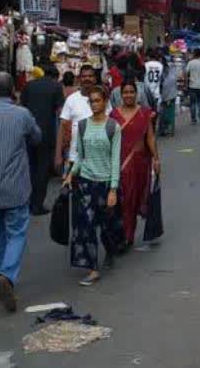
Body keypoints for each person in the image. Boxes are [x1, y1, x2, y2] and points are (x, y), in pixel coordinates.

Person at [0, 73, 42, 313]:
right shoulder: (22, 114)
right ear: (13, 90)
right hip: (15, 187)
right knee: (16, 234)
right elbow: (37, 137)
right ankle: (6, 275)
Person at [63, 85, 121, 286]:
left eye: (98, 100)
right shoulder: (83, 126)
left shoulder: (113, 127)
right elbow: (81, 156)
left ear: (105, 102)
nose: (95, 104)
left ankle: (111, 251)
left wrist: (113, 189)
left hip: (105, 184)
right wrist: (71, 174)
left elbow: (115, 159)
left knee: (106, 226)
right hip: (86, 183)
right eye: (92, 101)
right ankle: (93, 269)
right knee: (86, 226)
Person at [110, 81, 160, 249]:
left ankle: (128, 234)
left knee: (136, 197)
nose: (129, 95)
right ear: (120, 94)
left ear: (137, 94)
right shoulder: (114, 116)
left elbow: (150, 138)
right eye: (126, 92)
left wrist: (156, 159)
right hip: (120, 164)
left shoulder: (145, 114)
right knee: (125, 199)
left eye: (132, 92)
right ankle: (126, 236)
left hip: (140, 163)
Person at [19, 64, 65, 215]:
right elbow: (60, 113)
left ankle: (26, 201)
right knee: (42, 169)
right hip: (46, 134)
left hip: (28, 132)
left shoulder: (29, 85)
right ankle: (37, 204)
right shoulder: (57, 87)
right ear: (55, 76)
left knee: (29, 167)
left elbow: (21, 107)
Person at [56, 64, 109, 173]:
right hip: (75, 158)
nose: (87, 79)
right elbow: (62, 128)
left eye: (90, 76)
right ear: (79, 79)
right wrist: (58, 155)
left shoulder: (103, 100)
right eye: (84, 76)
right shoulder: (71, 100)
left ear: (95, 79)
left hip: (99, 159)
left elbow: (111, 125)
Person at [185, 50, 200, 125]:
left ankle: (193, 119)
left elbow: (186, 73)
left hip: (192, 85)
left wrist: (186, 83)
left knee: (193, 103)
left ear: (194, 54)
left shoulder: (190, 63)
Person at [159, 58, 179, 136]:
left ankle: (167, 129)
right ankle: (168, 129)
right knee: (170, 113)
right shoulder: (170, 71)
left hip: (167, 95)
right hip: (170, 94)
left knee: (166, 113)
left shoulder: (165, 73)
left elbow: (165, 85)